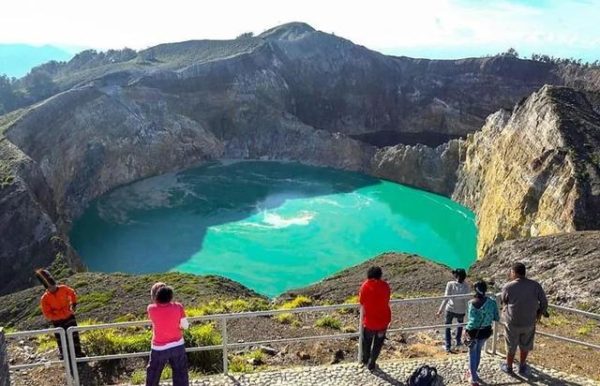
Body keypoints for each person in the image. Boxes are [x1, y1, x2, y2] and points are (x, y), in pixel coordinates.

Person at [500, 262, 548, 376]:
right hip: (529, 322)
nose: (510, 274)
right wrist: (539, 314)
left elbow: (504, 300)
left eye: (511, 272)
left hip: (512, 322)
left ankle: (509, 367)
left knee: (511, 345)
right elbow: (544, 302)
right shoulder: (535, 285)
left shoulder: (508, 286)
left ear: (514, 273)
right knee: (525, 345)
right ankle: (522, 366)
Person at [146, 283, 190, 386]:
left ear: (155, 296)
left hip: (159, 348)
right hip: (177, 345)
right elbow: (185, 326)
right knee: (180, 373)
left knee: (153, 373)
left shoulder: (151, 309)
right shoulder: (178, 307)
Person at [36, 269, 84, 360]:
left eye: (53, 286)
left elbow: (72, 293)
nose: (53, 288)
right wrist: (57, 316)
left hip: (69, 316)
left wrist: (73, 304)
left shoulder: (64, 288)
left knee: (74, 335)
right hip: (57, 321)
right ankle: (65, 355)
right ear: (46, 288)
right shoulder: (44, 299)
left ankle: (78, 353)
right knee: (61, 339)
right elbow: (47, 314)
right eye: (50, 287)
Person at [465, 280, 499, 386]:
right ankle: (474, 372)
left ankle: (473, 378)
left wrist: (465, 331)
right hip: (485, 331)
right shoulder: (492, 302)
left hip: (473, 332)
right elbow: (496, 317)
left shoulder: (471, 303)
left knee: (472, 353)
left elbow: (470, 320)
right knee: (478, 351)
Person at [359, 266, 391, 371]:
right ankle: (372, 363)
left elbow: (361, 301)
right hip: (383, 322)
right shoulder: (385, 286)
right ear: (380, 275)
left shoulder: (365, 286)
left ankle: (365, 359)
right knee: (378, 344)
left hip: (369, 322)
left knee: (366, 342)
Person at [437, 268, 470, 353]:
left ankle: (448, 346)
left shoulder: (450, 284)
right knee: (460, 324)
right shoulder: (466, 286)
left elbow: (446, 298)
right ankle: (458, 342)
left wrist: (440, 309)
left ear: (457, 275)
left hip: (450, 309)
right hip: (461, 310)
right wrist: (469, 312)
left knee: (447, 326)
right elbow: (467, 300)